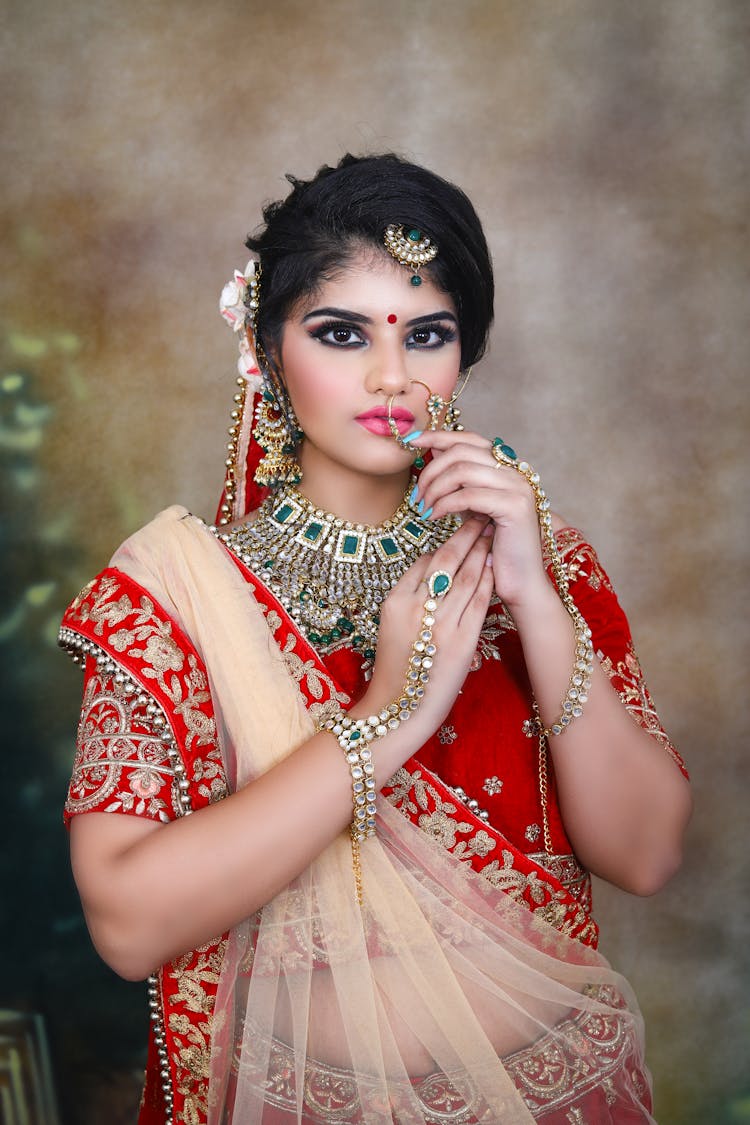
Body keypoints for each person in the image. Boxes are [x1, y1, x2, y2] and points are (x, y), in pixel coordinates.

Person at [60, 153, 691, 1124]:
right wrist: (392, 713)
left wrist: (531, 593)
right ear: (267, 350)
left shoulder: (542, 565)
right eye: (342, 333)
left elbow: (645, 853)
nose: (392, 376)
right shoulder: (175, 597)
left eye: (428, 334)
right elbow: (129, 923)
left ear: (465, 355)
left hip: (557, 1099)